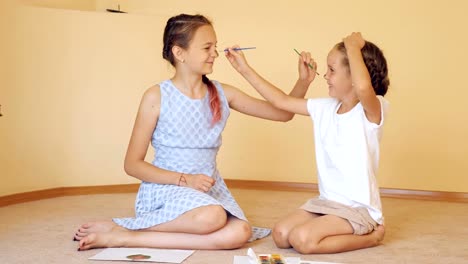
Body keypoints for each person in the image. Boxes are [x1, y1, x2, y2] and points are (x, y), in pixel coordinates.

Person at [74, 14, 311, 251]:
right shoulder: (156, 96)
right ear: (180, 53)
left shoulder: (222, 93)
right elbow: (132, 164)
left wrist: (301, 81)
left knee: (240, 232)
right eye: (207, 47)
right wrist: (185, 180)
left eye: (216, 47)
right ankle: (130, 227)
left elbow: (282, 114)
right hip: (168, 189)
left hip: (206, 190)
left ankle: (126, 237)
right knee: (213, 217)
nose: (215, 54)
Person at [225, 32, 389, 254]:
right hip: (327, 203)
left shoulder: (372, 110)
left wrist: (352, 46)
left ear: (353, 76)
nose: (325, 75)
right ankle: (334, 228)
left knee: (303, 241)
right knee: (281, 235)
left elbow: (362, 88)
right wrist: (243, 68)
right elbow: (280, 101)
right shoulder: (325, 107)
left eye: (332, 70)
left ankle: (372, 237)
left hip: (357, 209)